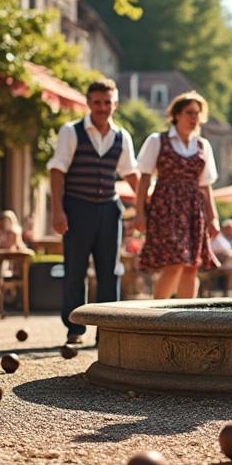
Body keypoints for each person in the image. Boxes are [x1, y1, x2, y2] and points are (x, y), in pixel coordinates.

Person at [48, 78, 140, 344]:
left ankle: (108, 331)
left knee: (110, 272)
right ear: (88, 103)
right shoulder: (71, 131)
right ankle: (75, 329)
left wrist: (146, 206)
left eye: (107, 102)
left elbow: (131, 174)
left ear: (115, 104)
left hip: (110, 209)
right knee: (75, 270)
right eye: (97, 102)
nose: (102, 107)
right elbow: (57, 171)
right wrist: (57, 211)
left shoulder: (122, 136)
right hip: (77, 207)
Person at [135, 91, 221, 300]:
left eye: (197, 113)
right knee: (174, 263)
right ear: (176, 115)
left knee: (192, 266)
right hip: (166, 208)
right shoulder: (157, 140)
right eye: (190, 113)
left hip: (193, 209)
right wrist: (139, 213)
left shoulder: (203, 145)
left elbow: (205, 186)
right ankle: (156, 314)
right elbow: (144, 180)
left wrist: (213, 217)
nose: (194, 118)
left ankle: (185, 316)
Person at [209, 219, 232, 296]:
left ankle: (231, 292)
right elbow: (225, 253)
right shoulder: (218, 238)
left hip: (225, 264)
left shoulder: (226, 239)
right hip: (218, 266)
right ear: (225, 228)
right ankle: (230, 293)